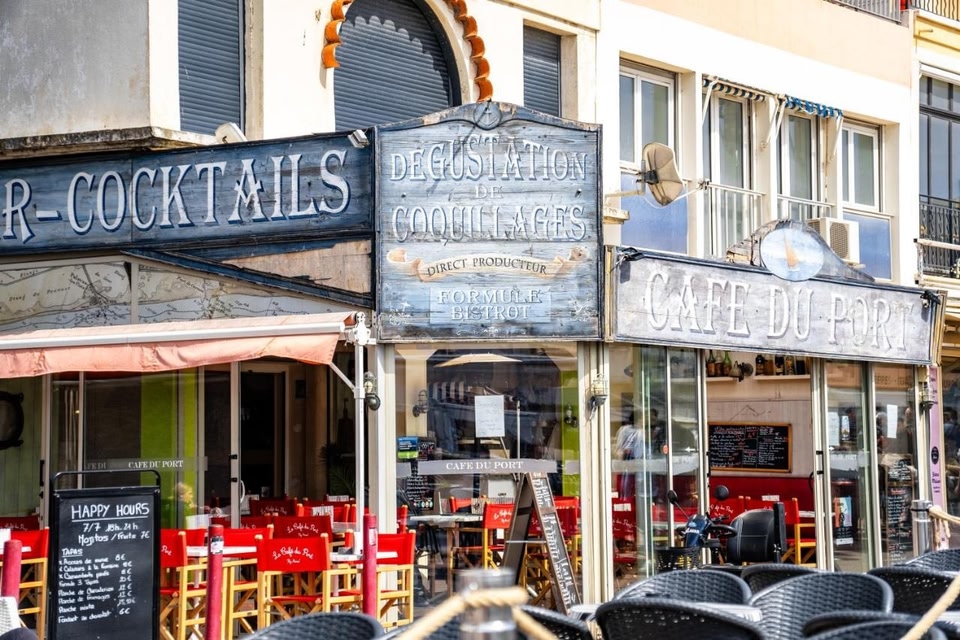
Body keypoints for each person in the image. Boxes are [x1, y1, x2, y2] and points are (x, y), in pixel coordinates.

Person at [614, 409, 643, 501]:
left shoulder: (640, 431)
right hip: (628, 457)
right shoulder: (626, 429)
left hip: (636, 459)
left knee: (633, 480)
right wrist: (622, 452)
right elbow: (620, 444)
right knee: (627, 479)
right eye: (642, 418)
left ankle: (628, 497)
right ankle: (625, 498)